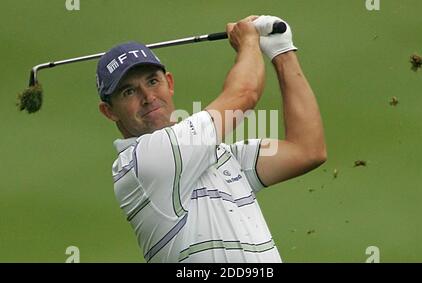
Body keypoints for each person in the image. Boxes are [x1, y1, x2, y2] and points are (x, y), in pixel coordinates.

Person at [96, 15, 326, 263]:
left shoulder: (216, 154)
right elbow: (244, 94)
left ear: (169, 83)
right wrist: (248, 41)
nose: (148, 96)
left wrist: (282, 52)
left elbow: (307, 150)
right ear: (109, 111)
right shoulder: (144, 162)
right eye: (128, 91)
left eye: (153, 81)